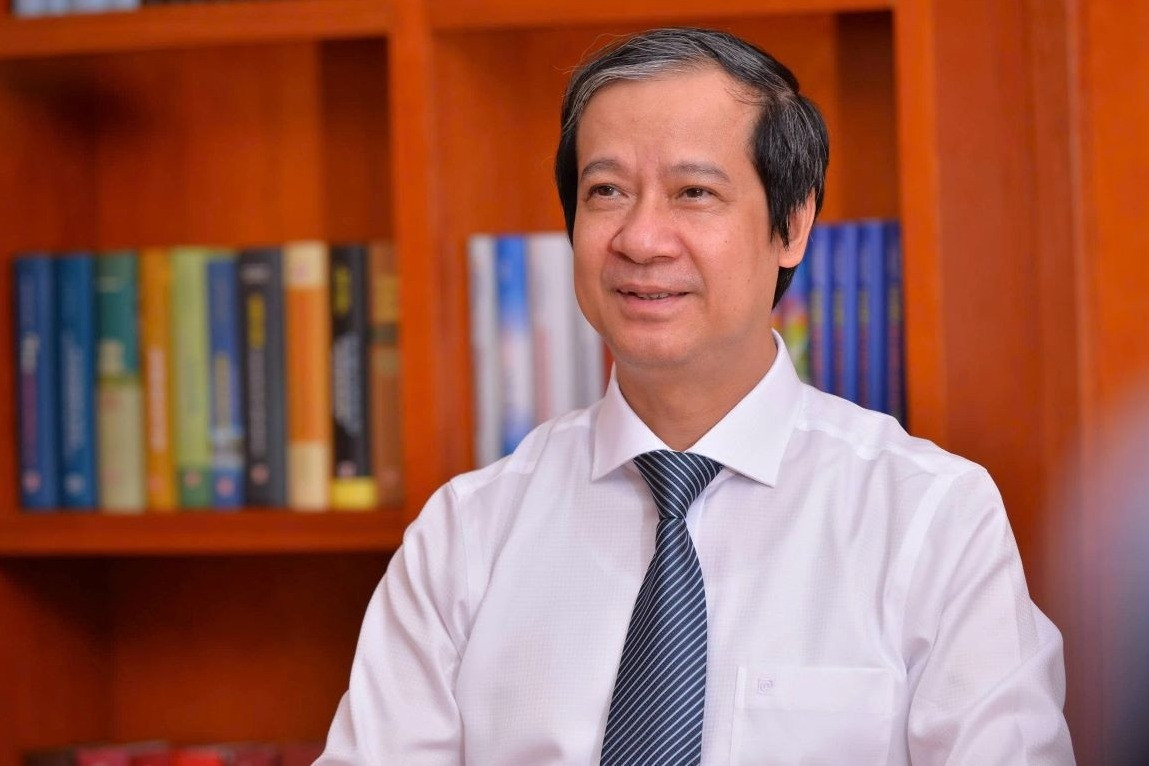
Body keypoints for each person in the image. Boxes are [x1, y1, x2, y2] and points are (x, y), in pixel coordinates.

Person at [317, 27, 1074, 764]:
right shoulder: (467, 535)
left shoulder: (930, 516)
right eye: (607, 191)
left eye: (694, 192)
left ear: (792, 225)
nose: (641, 239)